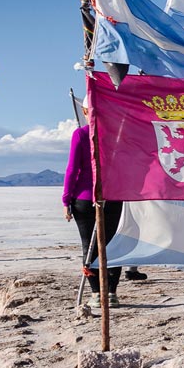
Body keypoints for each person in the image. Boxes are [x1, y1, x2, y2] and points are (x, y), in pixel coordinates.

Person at [62, 124, 123, 304]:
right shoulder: (117, 131)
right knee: (111, 244)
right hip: (113, 196)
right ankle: (111, 293)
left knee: (89, 245)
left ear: (85, 111)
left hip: (85, 198)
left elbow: (72, 169)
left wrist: (66, 199)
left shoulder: (81, 133)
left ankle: (97, 293)